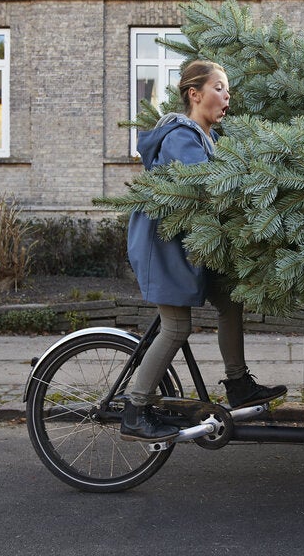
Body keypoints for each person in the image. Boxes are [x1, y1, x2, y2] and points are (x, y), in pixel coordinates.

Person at [122, 59, 287, 442]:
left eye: (228, 89)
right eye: (219, 87)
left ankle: (238, 384)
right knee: (176, 327)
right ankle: (135, 407)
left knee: (230, 299)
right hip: (164, 249)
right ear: (195, 94)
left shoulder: (203, 136)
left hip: (185, 247)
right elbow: (212, 191)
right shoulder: (183, 137)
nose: (227, 95)